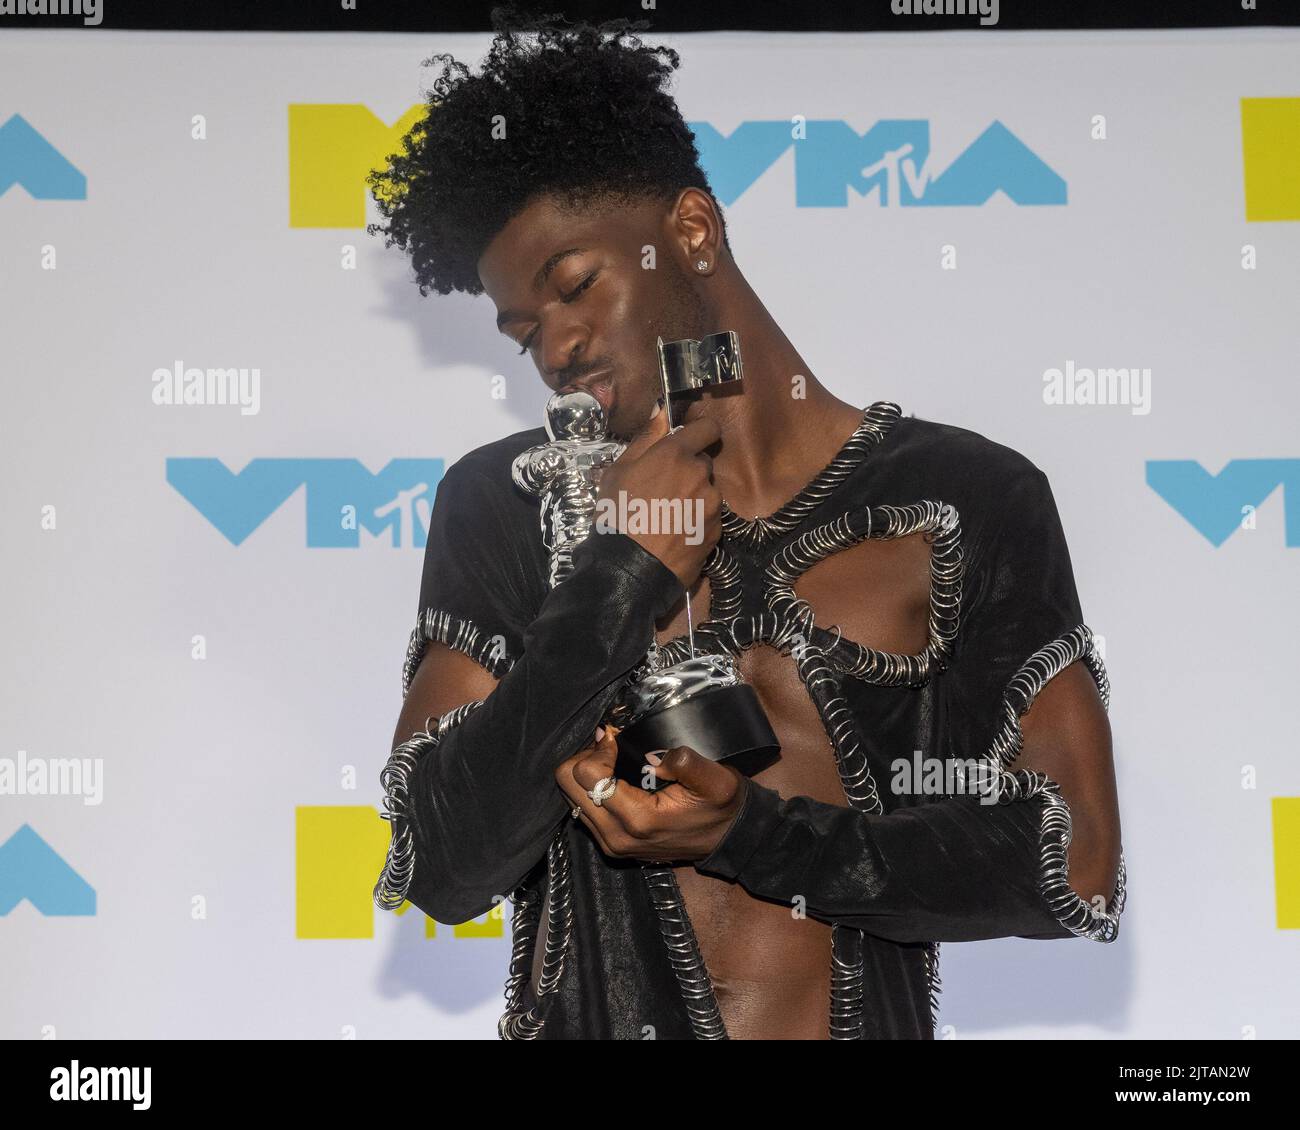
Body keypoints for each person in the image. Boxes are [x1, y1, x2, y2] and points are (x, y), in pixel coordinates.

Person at [369, 8, 1126, 1040]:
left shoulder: (962, 496)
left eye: (576, 285)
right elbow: (444, 863)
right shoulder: (508, 504)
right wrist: (618, 574)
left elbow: (1073, 860)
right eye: (524, 330)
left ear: (690, 229)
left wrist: (750, 831)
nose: (558, 347)